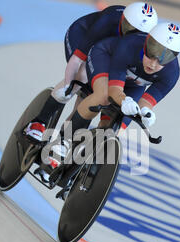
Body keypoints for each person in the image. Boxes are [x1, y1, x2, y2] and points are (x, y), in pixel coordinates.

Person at [40, 22, 180, 174]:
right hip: (105, 59)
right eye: (152, 53)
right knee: (103, 97)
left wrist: (146, 112)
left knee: (117, 127)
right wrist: (123, 100)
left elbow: (146, 101)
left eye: (163, 58)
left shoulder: (172, 73)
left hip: (133, 84)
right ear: (146, 42)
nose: (154, 64)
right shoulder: (130, 47)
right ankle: (63, 141)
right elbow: (114, 91)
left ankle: (82, 164)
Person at [25, 2, 158, 141]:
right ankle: (38, 122)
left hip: (108, 54)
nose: (131, 37)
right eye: (128, 29)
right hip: (83, 39)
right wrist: (69, 86)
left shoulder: (145, 47)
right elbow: (76, 60)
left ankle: (63, 141)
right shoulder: (109, 20)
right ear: (122, 19)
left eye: (138, 34)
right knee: (80, 79)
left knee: (96, 98)